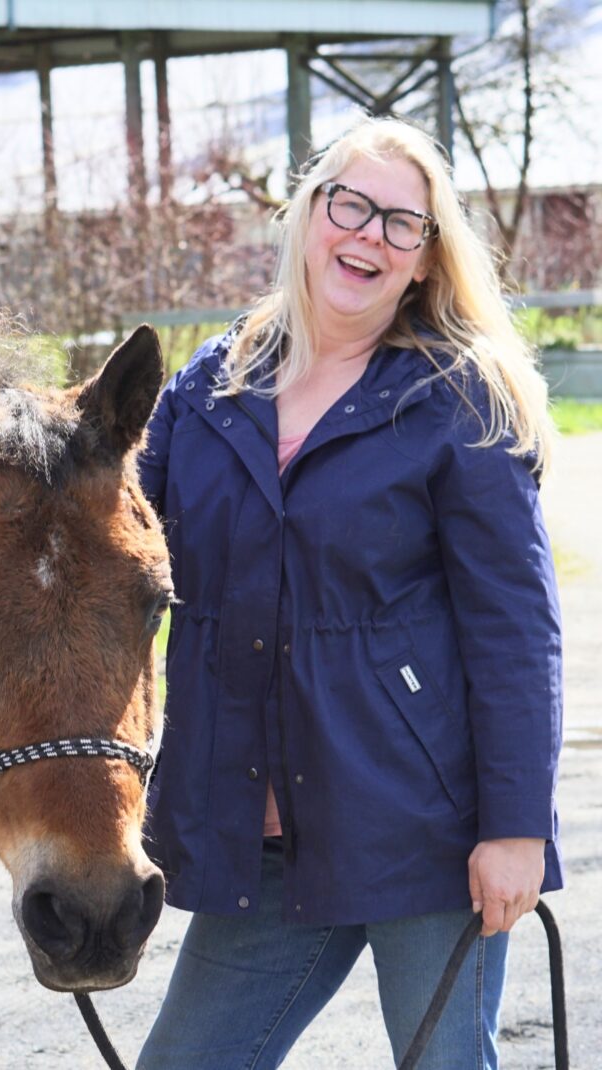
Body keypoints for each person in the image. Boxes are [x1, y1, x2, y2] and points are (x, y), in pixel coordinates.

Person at [136, 116, 562, 1070]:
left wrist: (515, 831)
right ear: (308, 212)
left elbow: (515, 634)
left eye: (401, 223)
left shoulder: (460, 402)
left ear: (425, 258)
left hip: (425, 836)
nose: (368, 234)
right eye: (350, 205)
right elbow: (112, 541)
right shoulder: (208, 389)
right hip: (263, 837)